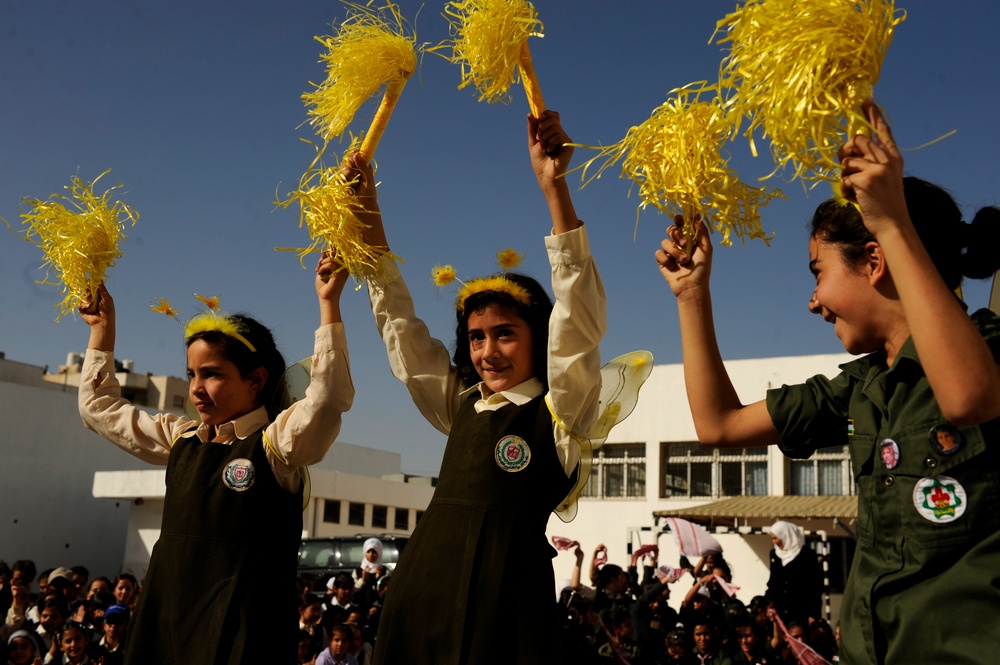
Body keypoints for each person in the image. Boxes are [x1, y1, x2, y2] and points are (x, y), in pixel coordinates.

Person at [656, 97, 1000, 663]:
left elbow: (965, 396)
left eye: (819, 273)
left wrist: (890, 221)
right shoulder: (861, 386)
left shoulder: (988, 346)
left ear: (875, 260)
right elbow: (718, 425)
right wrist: (693, 295)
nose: (813, 301)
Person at [356, 109, 605, 665]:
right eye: (475, 338)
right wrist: (367, 216)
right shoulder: (459, 404)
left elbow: (580, 319)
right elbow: (400, 328)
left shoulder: (561, 411)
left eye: (505, 334)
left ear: (540, 338)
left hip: (505, 616)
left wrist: (554, 189)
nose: (487, 351)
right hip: (419, 599)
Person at [77, 252, 354, 665]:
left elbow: (327, 399)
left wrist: (328, 305)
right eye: (192, 374)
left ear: (257, 379)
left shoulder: (276, 446)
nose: (197, 388)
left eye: (213, 374)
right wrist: (102, 331)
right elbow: (97, 408)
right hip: (166, 624)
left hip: (242, 637)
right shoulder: (181, 439)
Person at [764, 520, 821, 627]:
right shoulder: (774, 555)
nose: (774, 543)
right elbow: (773, 582)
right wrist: (767, 603)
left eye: (775, 538)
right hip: (780, 612)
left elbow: (815, 586)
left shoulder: (807, 555)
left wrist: (813, 614)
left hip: (801, 612)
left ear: (786, 536)